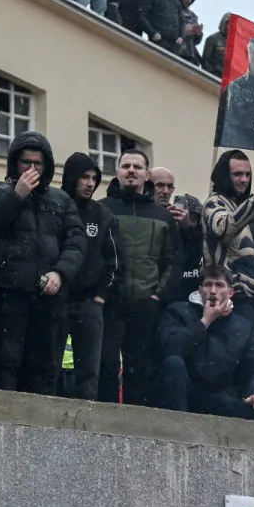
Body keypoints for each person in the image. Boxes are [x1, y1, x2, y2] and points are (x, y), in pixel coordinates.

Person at [0, 131, 82, 394]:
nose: (32, 168)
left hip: (50, 295)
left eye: (37, 163)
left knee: (45, 365)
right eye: (26, 162)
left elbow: (76, 242)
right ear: (15, 163)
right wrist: (16, 196)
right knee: (5, 361)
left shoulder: (62, 200)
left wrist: (60, 273)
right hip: (9, 292)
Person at [99, 150, 173, 405]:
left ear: (146, 175)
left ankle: (134, 424)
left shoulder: (163, 216)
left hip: (145, 303)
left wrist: (157, 296)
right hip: (110, 302)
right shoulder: (102, 209)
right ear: (117, 172)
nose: (131, 170)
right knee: (106, 363)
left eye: (137, 166)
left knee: (139, 368)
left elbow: (172, 260)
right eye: (126, 165)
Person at [156, 265, 254, 420]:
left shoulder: (242, 326)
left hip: (217, 396)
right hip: (183, 390)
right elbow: (171, 348)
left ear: (230, 293)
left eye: (219, 285)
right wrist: (205, 322)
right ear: (200, 291)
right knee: (174, 364)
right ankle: (179, 428)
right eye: (208, 285)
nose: (213, 291)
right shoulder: (177, 311)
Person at [57, 150, 114, 401]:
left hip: (90, 303)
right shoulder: (54, 206)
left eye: (94, 178)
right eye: (85, 177)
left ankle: (86, 428)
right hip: (56, 299)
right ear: (71, 178)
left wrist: (101, 296)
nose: (90, 184)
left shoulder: (103, 215)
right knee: (49, 366)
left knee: (89, 372)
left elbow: (114, 261)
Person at [203, 151, 254, 316]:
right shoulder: (214, 201)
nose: (244, 180)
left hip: (247, 298)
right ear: (225, 176)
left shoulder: (238, 205)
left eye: (247, 174)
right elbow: (222, 229)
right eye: (237, 174)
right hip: (230, 296)